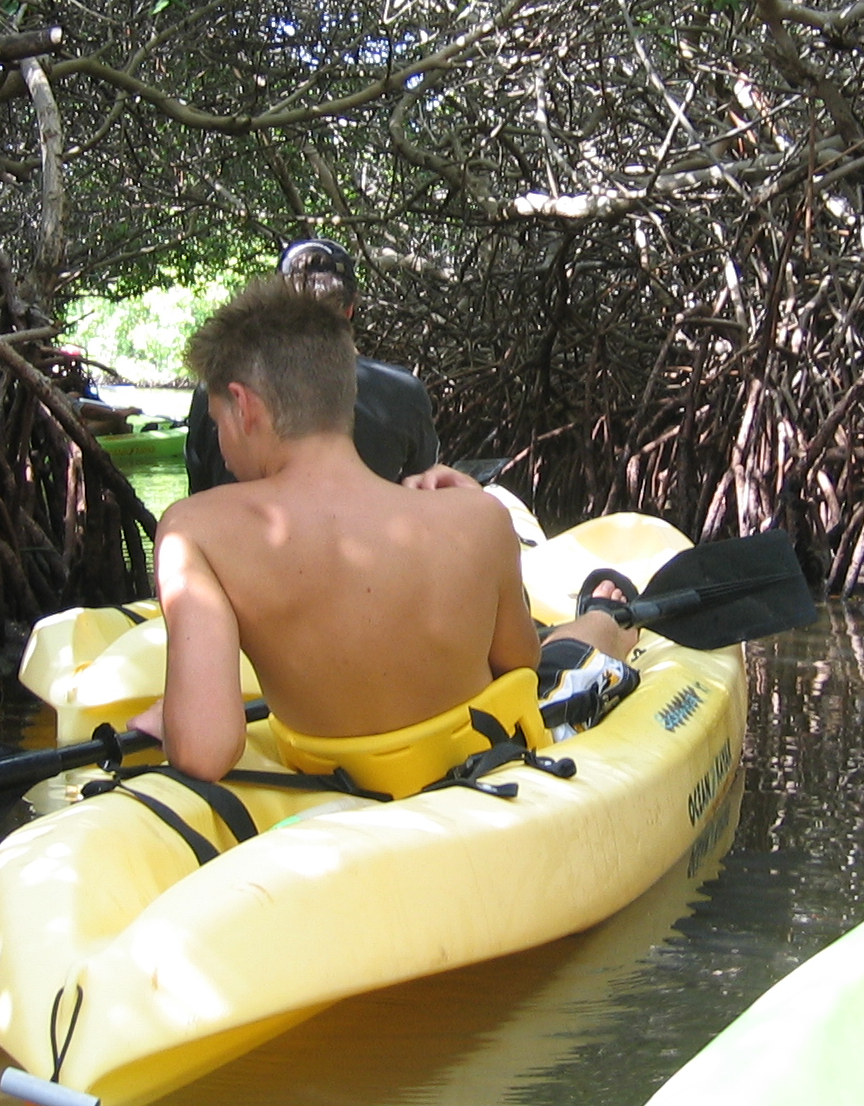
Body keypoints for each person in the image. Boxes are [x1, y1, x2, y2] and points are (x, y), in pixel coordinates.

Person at [132, 278, 638, 778]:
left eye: (218, 422)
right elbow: (522, 664)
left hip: (334, 774)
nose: (219, 443)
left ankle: (606, 619)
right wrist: (480, 516)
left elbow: (206, 751)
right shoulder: (479, 518)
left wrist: (177, 717)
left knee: (581, 637)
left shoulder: (191, 531)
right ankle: (609, 620)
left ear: (244, 407)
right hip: (470, 759)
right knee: (569, 647)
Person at [180, 239, 438, 493]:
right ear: (350, 309)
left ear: (275, 308)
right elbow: (423, 489)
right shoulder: (404, 392)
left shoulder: (216, 388)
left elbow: (200, 488)